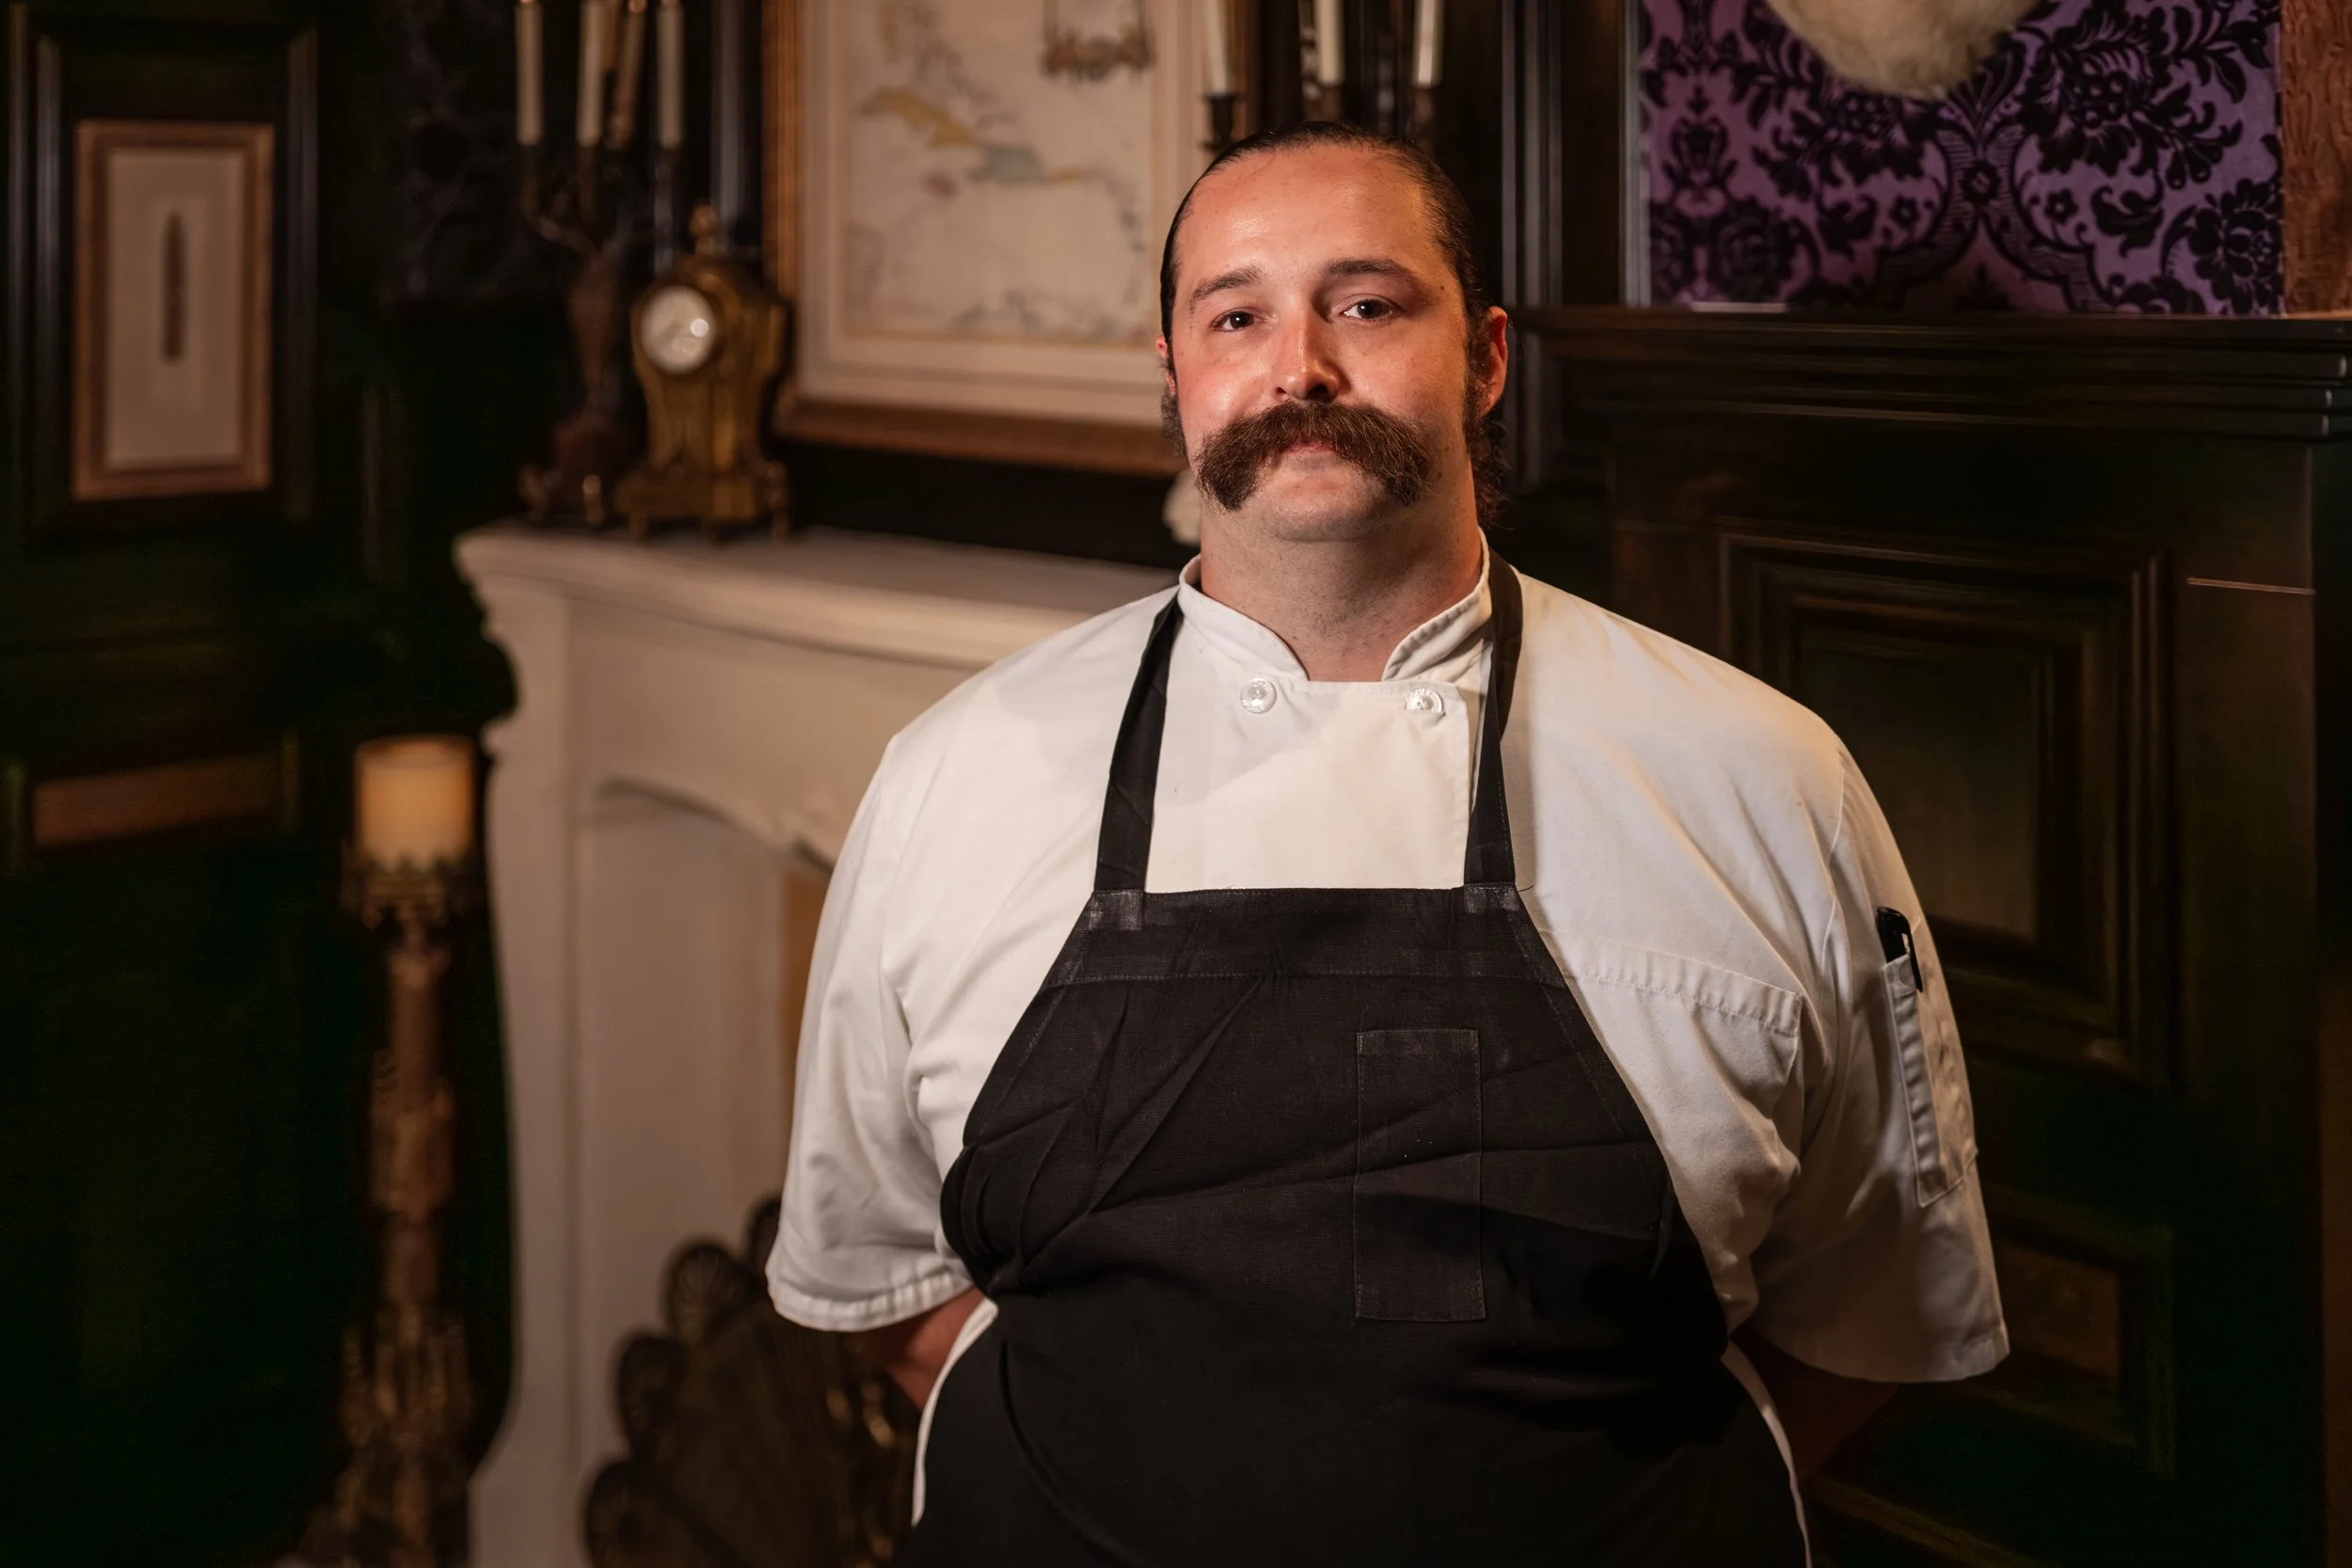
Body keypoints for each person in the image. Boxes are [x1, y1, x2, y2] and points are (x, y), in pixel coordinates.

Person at [767, 120, 2006, 1566]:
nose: (1299, 366)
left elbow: (1876, 1317)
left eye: (1365, 304)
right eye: (1237, 316)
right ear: (1175, 378)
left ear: (1484, 356)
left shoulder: (1763, 780)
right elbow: (890, 1291)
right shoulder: (951, 780)